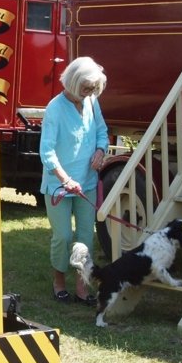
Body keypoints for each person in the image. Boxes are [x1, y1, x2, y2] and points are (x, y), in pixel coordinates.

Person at [40, 57, 109, 305]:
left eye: (93, 89)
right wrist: (66, 179)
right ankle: (59, 282)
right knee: (63, 237)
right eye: (86, 88)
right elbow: (46, 152)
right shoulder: (55, 109)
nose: (90, 93)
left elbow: (102, 130)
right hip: (59, 185)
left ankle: (82, 287)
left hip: (87, 182)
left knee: (84, 236)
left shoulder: (91, 101)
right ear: (73, 83)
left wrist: (101, 150)